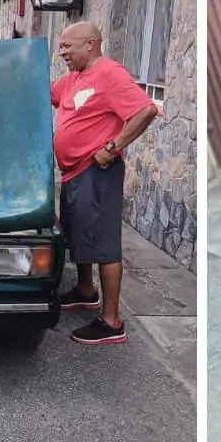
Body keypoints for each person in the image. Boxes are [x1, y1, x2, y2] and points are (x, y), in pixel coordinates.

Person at [51, 21, 158, 345]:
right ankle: (86, 290)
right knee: (79, 232)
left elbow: (145, 110)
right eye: (61, 47)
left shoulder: (110, 74)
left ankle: (111, 321)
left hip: (97, 171)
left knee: (104, 243)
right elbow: (44, 92)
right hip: (73, 172)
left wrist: (112, 148)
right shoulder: (73, 79)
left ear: (91, 44)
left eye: (68, 46)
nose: (62, 52)